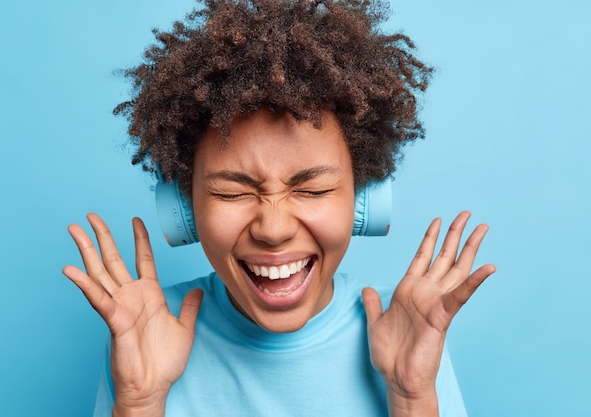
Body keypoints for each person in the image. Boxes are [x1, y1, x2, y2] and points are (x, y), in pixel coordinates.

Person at [63, 1, 496, 416]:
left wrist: (411, 397)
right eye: (232, 194)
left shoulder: (409, 329)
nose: (273, 229)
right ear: (183, 208)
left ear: (363, 201)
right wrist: (139, 404)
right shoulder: (144, 327)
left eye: (312, 189)